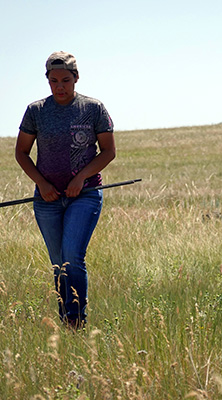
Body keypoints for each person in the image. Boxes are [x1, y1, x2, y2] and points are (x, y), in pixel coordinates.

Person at [15, 51, 116, 329]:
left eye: (66, 80)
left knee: (72, 256)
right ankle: (66, 321)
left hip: (84, 195)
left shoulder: (93, 108)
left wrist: (81, 178)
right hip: (47, 199)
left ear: (76, 78)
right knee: (59, 264)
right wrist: (42, 184)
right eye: (53, 80)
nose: (60, 86)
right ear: (47, 80)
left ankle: (77, 321)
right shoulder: (36, 111)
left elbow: (108, 152)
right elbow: (22, 153)